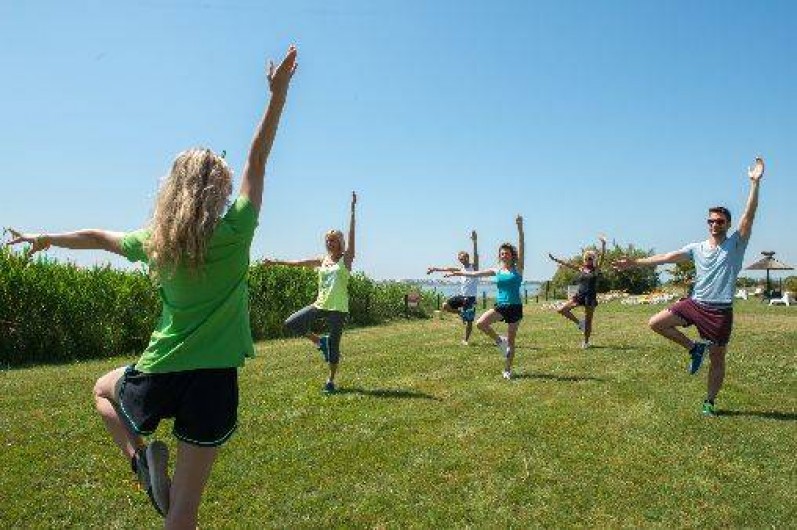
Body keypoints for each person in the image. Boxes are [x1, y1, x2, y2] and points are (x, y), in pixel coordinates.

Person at [7, 46, 298, 527]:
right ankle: (151, 473)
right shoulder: (235, 231)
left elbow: (97, 237)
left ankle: (141, 461)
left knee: (102, 391)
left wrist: (49, 238)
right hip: (215, 378)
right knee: (184, 510)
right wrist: (278, 95)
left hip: (162, 369)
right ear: (219, 192)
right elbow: (258, 158)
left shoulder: (155, 242)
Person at [614, 157, 764, 417]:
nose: (714, 224)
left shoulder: (736, 244)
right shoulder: (697, 248)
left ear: (727, 224)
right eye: (711, 221)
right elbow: (666, 257)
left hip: (719, 311)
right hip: (695, 304)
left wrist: (754, 183)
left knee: (717, 359)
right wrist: (635, 263)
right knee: (656, 323)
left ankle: (709, 401)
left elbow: (748, 216)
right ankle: (694, 348)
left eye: (720, 221)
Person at [264, 191, 357, 393]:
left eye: (333, 240)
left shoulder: (346, 259)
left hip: (338, 308)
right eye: (328, 241)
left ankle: (330, 381)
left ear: (340, 242)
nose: (330, 243)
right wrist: (276, 262)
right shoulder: (322, 260)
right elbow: (299, 263)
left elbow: (352, 236)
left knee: (334, 346)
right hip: (320, 304)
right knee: (292, 322)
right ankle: (319, 341)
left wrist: (352, 211)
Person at [447, 216, 524, 379]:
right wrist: (457, 273)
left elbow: (522, 245)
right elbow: (475, 273)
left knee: (512, 341)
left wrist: (520, 228)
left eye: (507, 253)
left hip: (515, 307)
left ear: (512, 255)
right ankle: (499, 340)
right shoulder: (497, 270)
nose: (504, 255)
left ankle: (507, 370)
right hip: (501, 305)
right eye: (502, 254)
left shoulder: (518, 269)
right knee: (481, 323)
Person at [548, 235, 607, 349]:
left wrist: (603, 245)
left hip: (590, 297)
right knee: (562, 310)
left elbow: (603, 258)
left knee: (588, 320)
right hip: (580, 295)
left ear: (594, 259)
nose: (588, 260)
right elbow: (567, 264)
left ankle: (586, 342)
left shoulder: (596, 270)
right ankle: (580, 323)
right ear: (584, 259)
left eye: (590, 258)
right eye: (587, 258)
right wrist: (555, 259)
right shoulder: (582, 268)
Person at [426, 230, 480, 345]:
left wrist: (474, 241)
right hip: (462, 296)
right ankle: (460, 313)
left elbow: (476, 255)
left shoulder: (474, 267)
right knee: (445, 305)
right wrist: (434, 269)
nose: (462, 261)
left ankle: (465, 340)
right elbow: (447, 268)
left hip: (471, 298)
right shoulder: (461, 269)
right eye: (460, 259)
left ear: (468, 258)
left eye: (464, 258)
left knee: (469, 321)